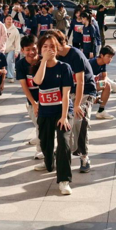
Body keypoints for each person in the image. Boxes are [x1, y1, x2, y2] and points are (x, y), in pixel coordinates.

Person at [33, 32, 74, 195]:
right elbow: (38, 81)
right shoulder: (38, 66)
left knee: (63, 143)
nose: (48, 49)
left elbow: (65, 94)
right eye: (45, 46)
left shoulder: (64, 68)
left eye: (52, 46)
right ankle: (48, 162)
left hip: (62, 111)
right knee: (45, 143)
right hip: (45, 112)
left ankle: (64, 180)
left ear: (57, 49)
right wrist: (43, 61)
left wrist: (64, 117)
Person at [53, 29, 98, 174]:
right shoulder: (54, 56)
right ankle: (61, 150)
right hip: (68, 92)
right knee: (62, 121)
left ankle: (84, 156)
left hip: (85, 92)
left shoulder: (75, 55)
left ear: (61, 43)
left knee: (80, 120)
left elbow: (81, 82)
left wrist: (77, 105)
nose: (50, 49)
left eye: (53, 46)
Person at [15, 35, 43, 157]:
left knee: (42, 126)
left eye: (34, 49)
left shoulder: (44, 61)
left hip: (47, 100)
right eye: (27, 49)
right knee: (38, 124)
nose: (31, 52)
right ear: (22, 50)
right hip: (32, 101)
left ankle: (41, 149)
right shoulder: (20, 65)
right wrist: (34, 103)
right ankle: (41, 142)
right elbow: (24, 86)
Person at [4, 15, 21, 82]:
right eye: (7, 19)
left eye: (10, 19)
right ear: (5, 20)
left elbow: (17, 41)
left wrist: (17, 51)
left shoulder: (15, 30)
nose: (9, 20)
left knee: (10, 60)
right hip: (2, 48)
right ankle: (4, 74)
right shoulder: (2, 28)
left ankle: (10, 76)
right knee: (3, 62)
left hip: (11, 49)